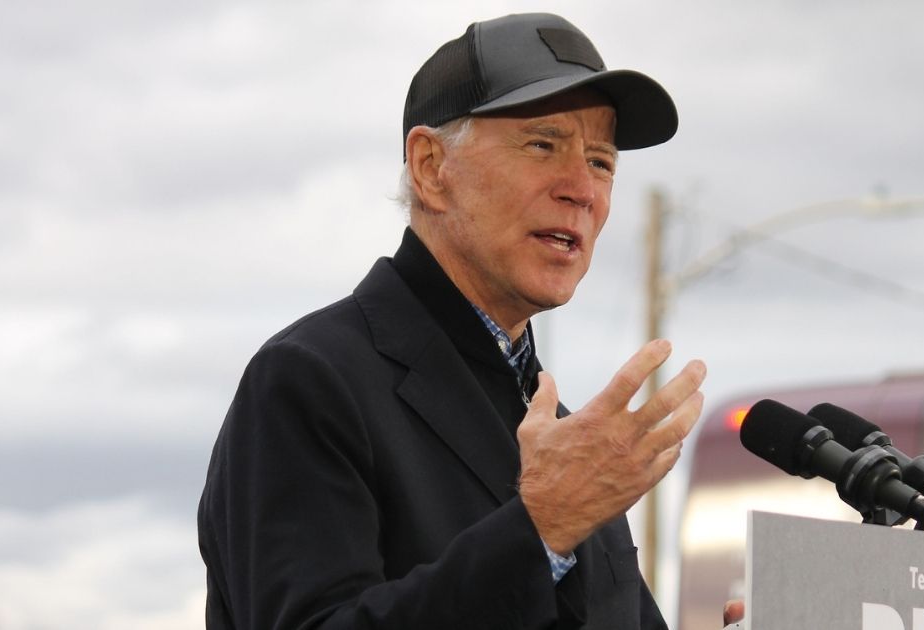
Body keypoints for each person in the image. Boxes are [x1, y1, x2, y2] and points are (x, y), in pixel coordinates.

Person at [197, 12, 716, 630]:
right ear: (430, 168)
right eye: (543, 145)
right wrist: (540, 528)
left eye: (602, 163)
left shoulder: (574, 446)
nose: (582, 188)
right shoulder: (309, 380)